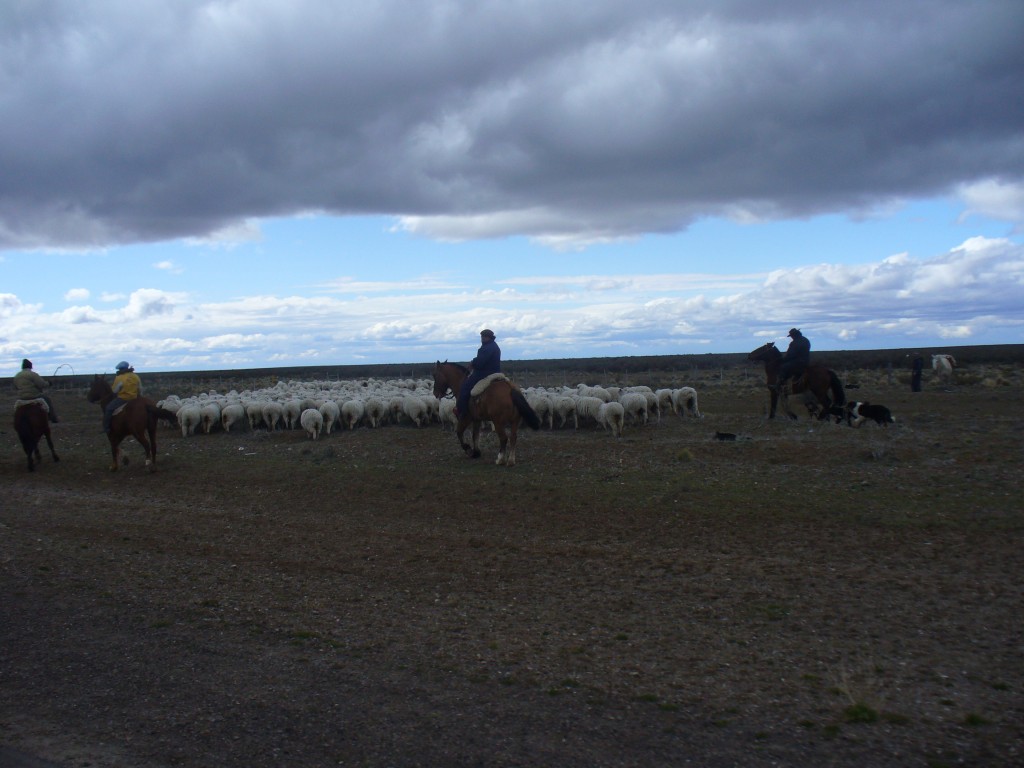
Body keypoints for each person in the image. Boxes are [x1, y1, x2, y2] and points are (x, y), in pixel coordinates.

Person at [456, 329, 501, 418]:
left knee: (464, 388)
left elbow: (480, 363)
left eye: (483, 337)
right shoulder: (494, 346)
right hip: (496, 371)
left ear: (488, 337)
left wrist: (473, 363)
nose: (482, 339)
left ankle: (463, 412)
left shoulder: (487, 347)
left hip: (484, 373)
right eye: (481, 337)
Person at [13, 358, 59, 423]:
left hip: (21, 397)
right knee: (47, 399)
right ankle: (53, 418)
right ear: (30, 366)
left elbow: (16, 387)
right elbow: (42, 384)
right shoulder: (33, 374)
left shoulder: (17, 376)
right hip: (34, 396)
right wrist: (49, 383)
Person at [103, 360, 143, 433]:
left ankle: (106, 428)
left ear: (121, 369)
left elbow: (114, 391)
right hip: (135, 398)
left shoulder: (119, 377)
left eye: (119, 369)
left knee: (108, 408)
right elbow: (140, 389)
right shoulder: (135, 376)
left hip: (123, 399)